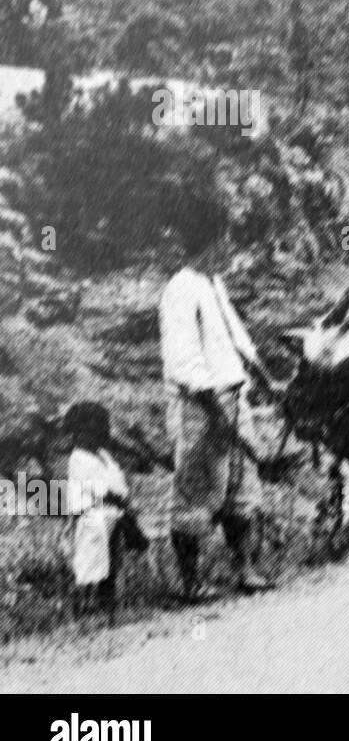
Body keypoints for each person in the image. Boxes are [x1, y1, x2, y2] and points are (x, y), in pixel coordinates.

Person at [159, 204, 273, 600]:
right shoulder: (181, 288)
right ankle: (191, 582)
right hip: (201, 406)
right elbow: (183, 360)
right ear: (211, 241)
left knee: (243, 490)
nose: (229, 245)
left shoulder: (212, 283)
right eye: (225, 237)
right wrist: (213, 406)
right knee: (196, 491)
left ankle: (245, 569)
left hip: (233, 397)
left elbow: (236, 338)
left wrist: (261, 376)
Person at [63, 402, 145, 616]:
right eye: (82, 432)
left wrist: (124, 500)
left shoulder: (104, 456)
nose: (89, 437)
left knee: (112, 559)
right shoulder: (78, 458)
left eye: (95, 431)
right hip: (91, 514)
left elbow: (117, 482)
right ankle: (84, 602)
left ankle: (106, 601)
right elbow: (100, 489)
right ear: (74, 434)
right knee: (91, 560)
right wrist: (122, 500)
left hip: (111, 513)